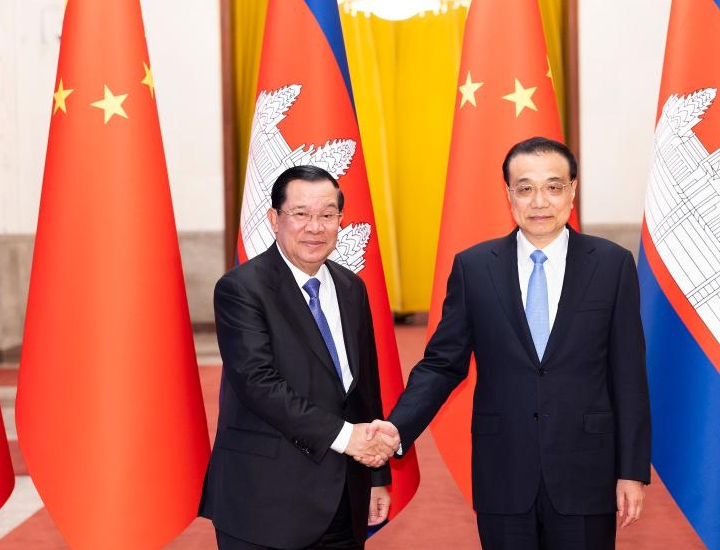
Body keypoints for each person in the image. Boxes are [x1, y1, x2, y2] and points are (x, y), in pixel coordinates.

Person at [371, 137, 651, 550]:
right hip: (503, 471)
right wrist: (396, 429)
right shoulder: (475, 267)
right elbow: (442, 364)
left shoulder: (611, 265)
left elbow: (628, 373)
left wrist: (631, 470)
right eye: (525, 188)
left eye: (554, 187)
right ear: (509, 195)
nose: (540, 200)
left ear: (573, 190)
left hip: (585, 471)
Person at [200, 165, 400, 550]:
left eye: (327, 215)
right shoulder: (241, 289)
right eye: (301, 214)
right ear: (275, 219)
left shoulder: (350, 287)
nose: (315, 227)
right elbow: (260, 384)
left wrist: (376, 475)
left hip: (344, 495)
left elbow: (363, 389)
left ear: (341, 220)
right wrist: (348, 439)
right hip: (265, 502)